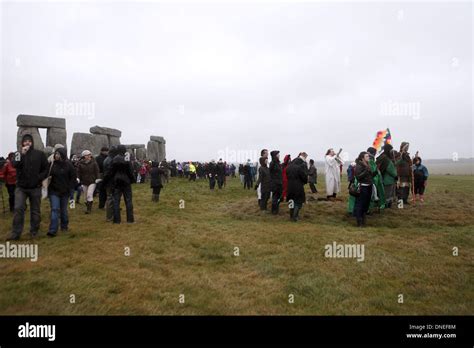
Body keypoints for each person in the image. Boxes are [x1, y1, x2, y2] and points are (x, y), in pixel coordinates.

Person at [7, 134, 48, 240]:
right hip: (21, 187)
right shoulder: (18, 154)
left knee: (35, 210)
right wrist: (22, 153)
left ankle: (34, 231)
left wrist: (38, 178)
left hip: (35, 187)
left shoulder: (40, 154)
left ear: (32, 142)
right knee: (18, 208)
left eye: (29, 141)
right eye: (25, 141)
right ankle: (16, 233)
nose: (27, 143)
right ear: (22, 143)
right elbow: (14, 164)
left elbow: (45, 169)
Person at [47, 148, 76, 237]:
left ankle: (64, 226)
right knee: (55, 209)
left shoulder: (69, 165)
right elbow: (47, 175)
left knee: (63, 210)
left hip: (65, 191)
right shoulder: (52, 165)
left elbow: (73, 178)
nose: (56, 155)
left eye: (58, 154)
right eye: (56, 154)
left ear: (63, 155)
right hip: (53, 191)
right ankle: (52, 230)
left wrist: (70, 189)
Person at [104, 145, 135, 224]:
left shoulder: (114, 159)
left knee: (116, 201)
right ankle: (130, 220)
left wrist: (107, 180)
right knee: (128, 200)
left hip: (117, 181)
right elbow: (130, 171)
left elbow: (111, 171)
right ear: (124, 150)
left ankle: (117, 220)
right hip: (126, 181)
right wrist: (132, 180)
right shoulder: (126, 159)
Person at [353, 152, 376, 227]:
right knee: (360, 204)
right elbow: (358, 177)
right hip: (363, 187)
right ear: (362, 158)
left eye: (368, 156)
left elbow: (370, 175)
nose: (368, 157)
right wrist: (366, 171)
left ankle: (363, 220)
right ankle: (359, 222)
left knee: (366, 204)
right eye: (367, 156)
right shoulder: (359, 165)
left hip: (369, 186)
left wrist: (375, 172)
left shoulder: (367, 164)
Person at [286, 152, 308, 222]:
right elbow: (304, 177)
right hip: (298, 186)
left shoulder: (288, 167)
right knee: (298, 202)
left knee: (291, 201)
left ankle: (291, 216)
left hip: (289, 186)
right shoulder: (299, 168)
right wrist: (304, 182)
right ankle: (295, 217)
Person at [77, 150, 100, 214]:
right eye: (87, 155)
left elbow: (97, 171)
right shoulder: (80, 164)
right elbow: (78, 172)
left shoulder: (94, 163)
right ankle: (88, 205)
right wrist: (78, 178)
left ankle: (88, 209)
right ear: (84, 156)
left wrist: (97, 178)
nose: (89, 156)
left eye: (90, 154)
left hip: (92, 181)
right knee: (85, 196)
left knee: (89, 194)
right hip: (84, 181)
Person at [367, 147, 385, 211]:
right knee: (372, 194)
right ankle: (369, 208)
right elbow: (373, 171)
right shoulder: (370, 161)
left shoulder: (369, 160)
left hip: (372, 179)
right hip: (372, 180)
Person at [103, 146, 118, 222]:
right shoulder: (111, 160)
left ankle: (110, 215)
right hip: (111, 182)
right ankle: (110, 217)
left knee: (110, 198)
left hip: (108, 181)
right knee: (111, 198)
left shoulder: (106, 159)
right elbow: (110, 172)